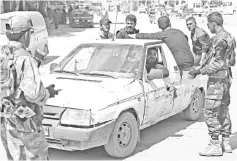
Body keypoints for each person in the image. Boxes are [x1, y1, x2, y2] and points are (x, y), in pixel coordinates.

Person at [0, 15, 59, 160]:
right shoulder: (25, 58)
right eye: (30, 33)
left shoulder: (2, 55)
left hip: (6, 121)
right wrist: (47, 93)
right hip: (26, 125)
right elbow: (34, 94)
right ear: (25, 34)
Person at [188, 12, 236, 157]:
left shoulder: (219, 40)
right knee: (223, 110)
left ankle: (215, 144)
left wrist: (200, 71)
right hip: (226, 80)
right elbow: (232, 61)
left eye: (208, 24)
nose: (207, 27)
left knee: (209, 112)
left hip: (217, 81)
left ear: (214, 24)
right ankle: (226, 142)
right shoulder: (231, 37)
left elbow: (218, 62)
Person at [128, 16, 194, 70]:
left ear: (159, 26)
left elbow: (148, 36)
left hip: (181, 66)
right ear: (170, 23)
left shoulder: (163, 35)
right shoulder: (180, 32)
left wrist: (133, 35)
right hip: (191, 63)